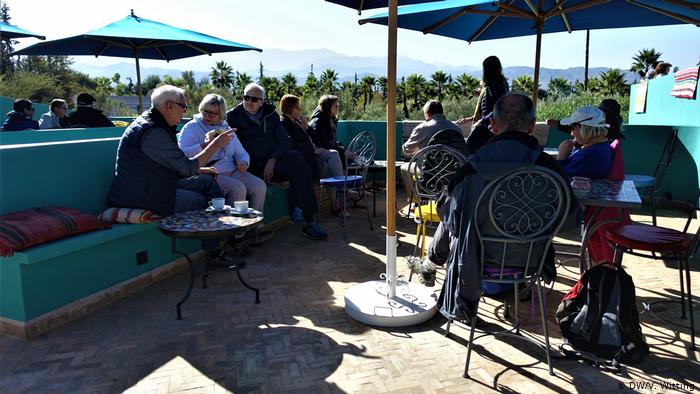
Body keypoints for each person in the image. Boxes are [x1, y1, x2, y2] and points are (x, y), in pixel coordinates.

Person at [408, 93, 577, 321]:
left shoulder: (471, 169)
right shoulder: (549, 168)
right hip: (531, 262)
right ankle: (433, 263)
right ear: (530, 126)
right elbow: (569, 219)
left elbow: (447, 214)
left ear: (494, 126)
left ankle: (430, 264)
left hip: (476, 262)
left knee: (459, 216)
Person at [107, 85, 232, 217]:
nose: (184, 111)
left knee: (206, 181)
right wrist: (215, 144)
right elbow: (187, 168)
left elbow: (174, 163)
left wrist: (199, 169)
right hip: (139, 195)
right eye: (183, 107)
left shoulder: (157, 124)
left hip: (155, 183)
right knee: (202, 200)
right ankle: (214, 233)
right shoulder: (153, 132)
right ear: (170, 106)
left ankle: (222, 232)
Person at [226, 84, 327, 240]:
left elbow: (285, 141)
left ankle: (308, 219)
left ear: (262, 101)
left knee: (296, 159)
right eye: (246, 97)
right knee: (300, 169)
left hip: (273, 164)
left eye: (254, 99)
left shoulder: (270, 115)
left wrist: (272, 159)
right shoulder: (233, 116)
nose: (249, 102)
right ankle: (300, 211)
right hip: (251, 166)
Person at [179, 94, 266, 212]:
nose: (208, 116)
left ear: (221, 115)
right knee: (238, 188)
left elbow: (241, 153)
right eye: (205, 111)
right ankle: (234, 228)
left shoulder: (225, 127)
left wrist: (244, 162)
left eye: (213, 113)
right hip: (212, 173)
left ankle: (255, 224)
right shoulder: (192, 127)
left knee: (259, 186)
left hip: (232, 170)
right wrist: (205, 145)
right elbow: (183, 155)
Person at [279, 94, 345, 215]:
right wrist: (312, 150)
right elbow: (289, 145)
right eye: (297, 108)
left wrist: (307, 128)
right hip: (307, 160)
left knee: (334, 156)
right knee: (332, 161)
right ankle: (338, 202)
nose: (300, 110)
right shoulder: (284, 124)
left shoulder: (297, 122)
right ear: (290, 108)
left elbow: (313, 138)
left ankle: (337, 203)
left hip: (314, 154)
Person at [400, 99, 462, 203]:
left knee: (404, 168)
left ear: (427, 114)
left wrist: (419, 148)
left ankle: (416, 202)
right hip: (453, 171)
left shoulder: (422, 128)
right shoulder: (456, 128)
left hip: (429, 171)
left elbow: (407, 150)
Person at [456, 56, 510, 154]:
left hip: (487, 130)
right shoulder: (501, 84)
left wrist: (481, 122)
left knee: (470, 155)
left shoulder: (494, 85)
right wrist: (482, 93)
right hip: (495, 128)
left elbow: (496, 108)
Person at [556, 106, 613, 179]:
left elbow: (558, 178)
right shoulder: (596, 147)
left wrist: (561, 155)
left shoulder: (590, 155)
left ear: (584, 129)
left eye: (573, 128)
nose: (572, 133)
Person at [547, 98, 624, 141]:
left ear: (606, 113)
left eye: (599, 108)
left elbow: (584, 130)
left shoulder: (604, 132)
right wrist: (557, 124)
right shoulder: (611, 130)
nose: (597, 110)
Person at [308, 95, 351, 169]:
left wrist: (343, 150)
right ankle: (344, 179)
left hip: (330, 149)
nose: (337, 107)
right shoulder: (319, 121)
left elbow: (331, 141)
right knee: (349, 160)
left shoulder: (330, 119)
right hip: (322, 152)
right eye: (335, 105)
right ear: (327, 106)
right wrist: (343, 152)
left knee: (353, 159)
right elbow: (324, 144)